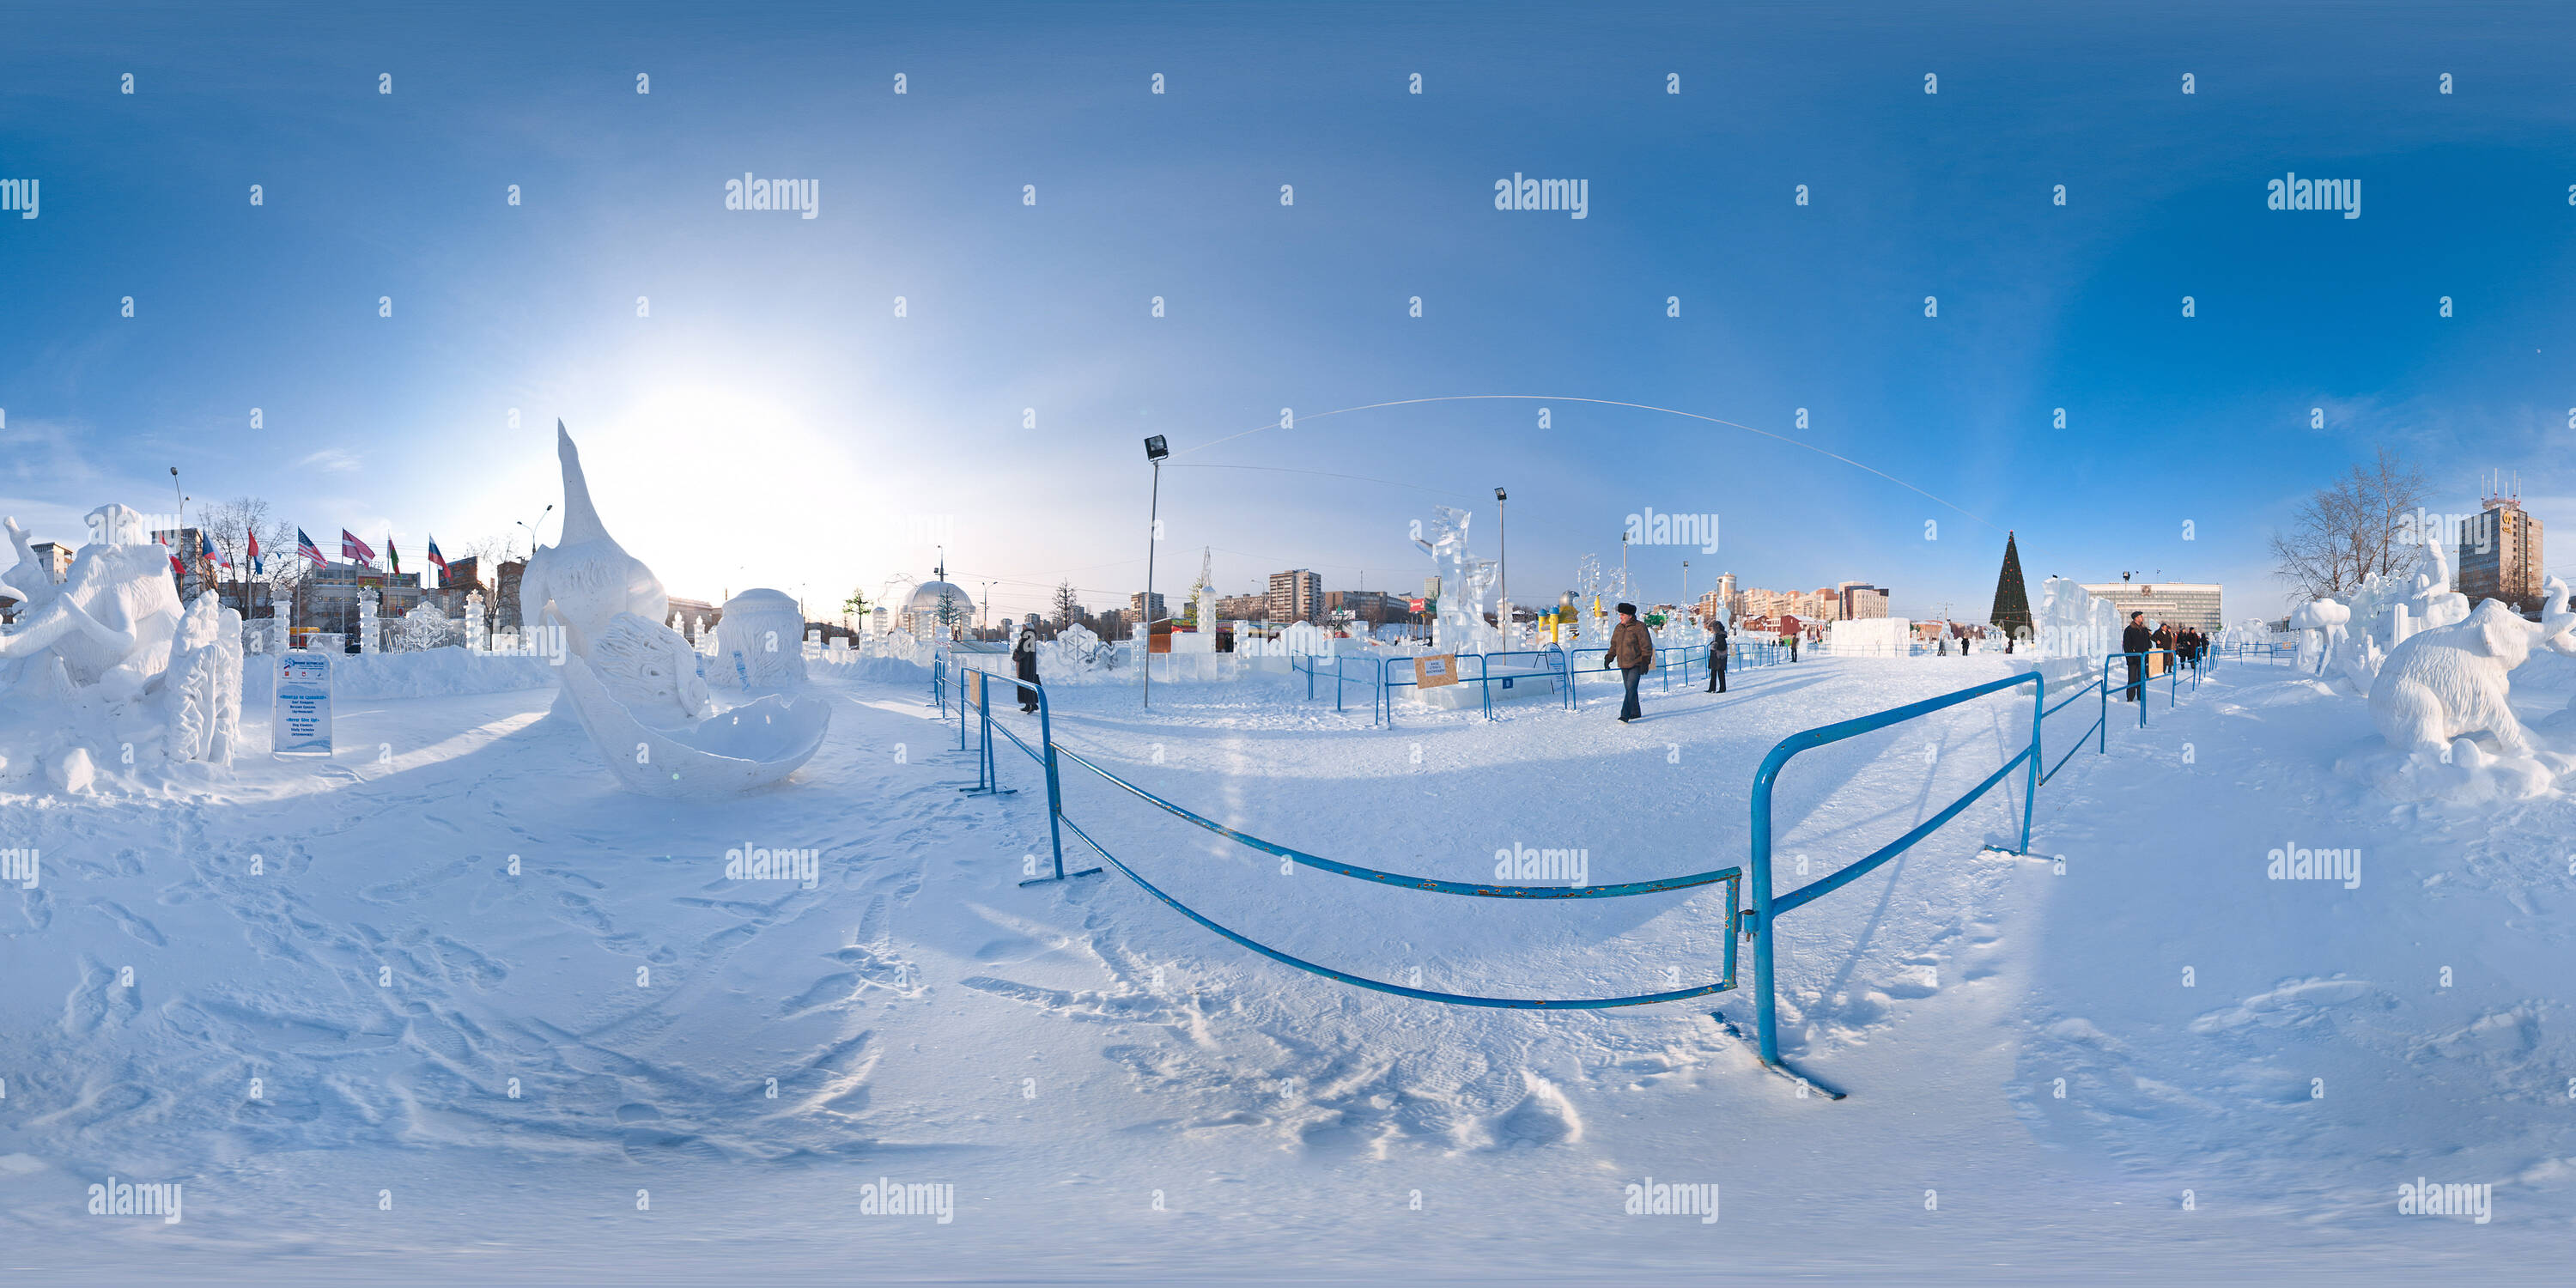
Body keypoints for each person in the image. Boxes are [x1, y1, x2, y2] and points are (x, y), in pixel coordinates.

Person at [1607, 602, 1654, 722]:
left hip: (1636, 663)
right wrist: (1609, 657)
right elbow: (1614, 645)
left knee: (1631, 688)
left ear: (1630, 615)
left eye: (1622, 614)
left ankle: (1625, 715)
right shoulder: (1618, 628)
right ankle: (1635, 712)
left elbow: (1646, 645)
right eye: (1620, 614)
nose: (1620, 617)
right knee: (1630, 689)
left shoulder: (1640, 627)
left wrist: (1645, 661)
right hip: (1623, 664)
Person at [2121, 611, 2153, 702]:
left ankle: (2140, 696)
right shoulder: (2129, 630)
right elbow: (2127, 646)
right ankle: (2130, 697)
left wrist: (2147, 657)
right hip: (2133, 659)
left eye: (2141, 616)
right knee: (2132, 679)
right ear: (2135, 619)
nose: (2142, 618)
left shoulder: (2144, 629)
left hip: (2143, 658)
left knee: (2141, 678)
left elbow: (2148, 644)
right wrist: (2130, 659)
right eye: (2140, 617)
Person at [1012, 622, 1042, 713]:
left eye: (1024, 627)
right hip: (1028, 665)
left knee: (1026, 683)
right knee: (1028, 683)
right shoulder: (1030, 637)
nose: (1023, 629)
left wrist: (1015, 655)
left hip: (1025, 666)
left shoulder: (1027, 637)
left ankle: (1031, 704)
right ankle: (1029, 704)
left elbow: (1022, 652)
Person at [1705, 613, 1729, 694]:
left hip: (1718, 658)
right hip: (1716, 658)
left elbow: (1722, 646)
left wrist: (1714, 645)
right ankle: (1712, 688)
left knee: (1720, 673)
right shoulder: (1717, 635)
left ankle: (1722, 689)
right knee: (1714, 673)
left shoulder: (1720, 636)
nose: (1713, 629)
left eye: (1714, 627)